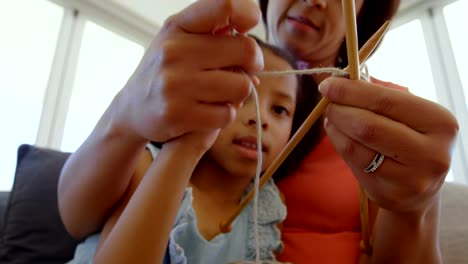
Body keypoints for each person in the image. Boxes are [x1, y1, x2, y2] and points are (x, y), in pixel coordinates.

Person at [58, 0, 459, 263]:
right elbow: (77, 218)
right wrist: (130, 113)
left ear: (364, 12)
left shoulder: (388, 119)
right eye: (247, 96)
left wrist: (415, 207)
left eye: (280, 108)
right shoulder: (190, 110)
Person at [64, 36, 315, 263]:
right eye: (241, 96)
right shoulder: (148, 168)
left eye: (280, 110)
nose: (260, 120)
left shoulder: (269, 209)